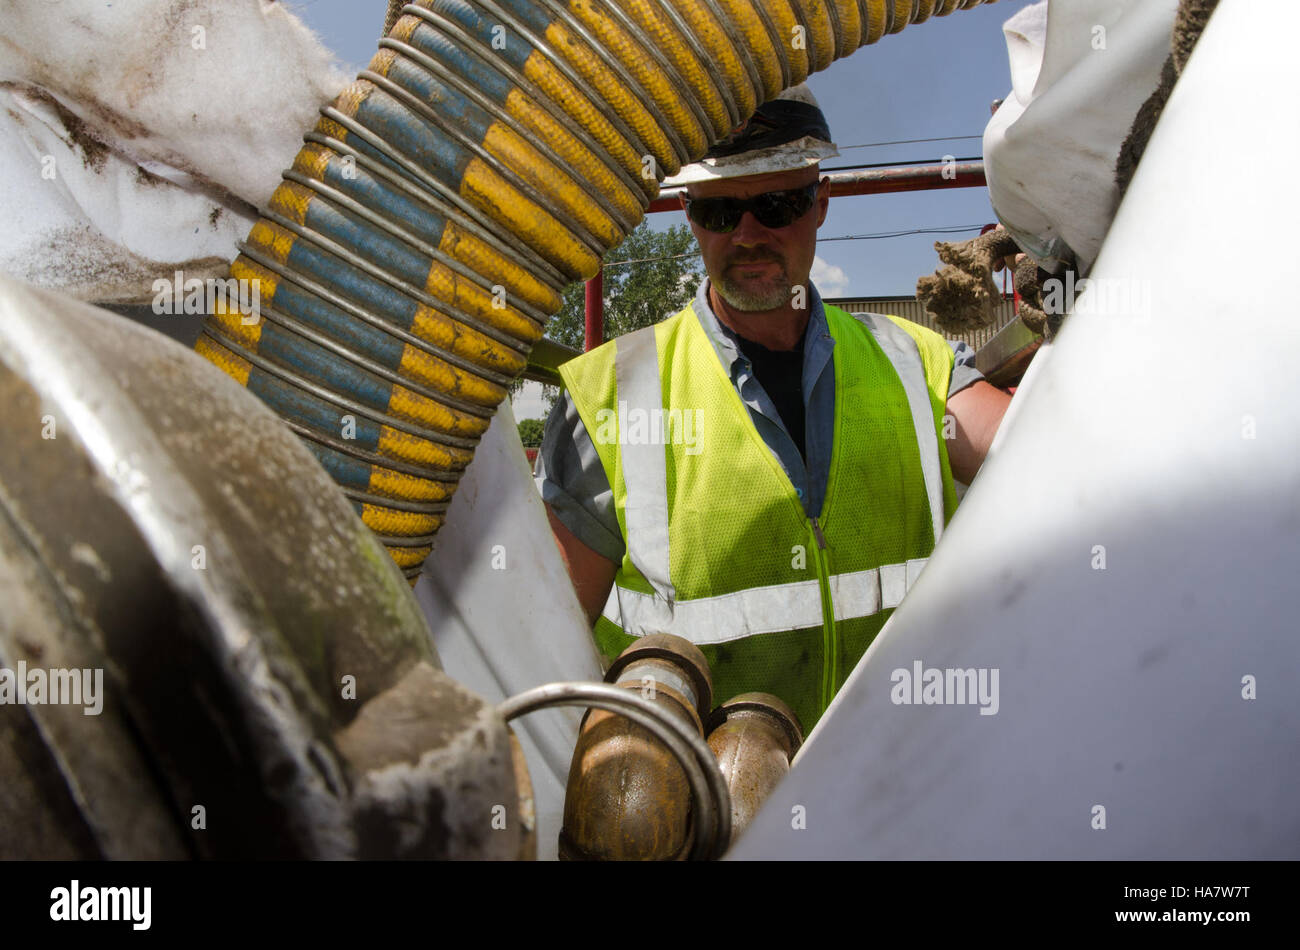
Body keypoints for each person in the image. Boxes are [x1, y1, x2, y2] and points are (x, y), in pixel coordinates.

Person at [536, 87, 1011, 731]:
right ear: (687, 214)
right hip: (701, 820)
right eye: (719, 211)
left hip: (907, 789)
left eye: (776, 204)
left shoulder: (916, 365)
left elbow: (1045, 455)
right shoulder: (607, 398)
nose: (748, 235)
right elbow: (540, 659)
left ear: (820, 204)